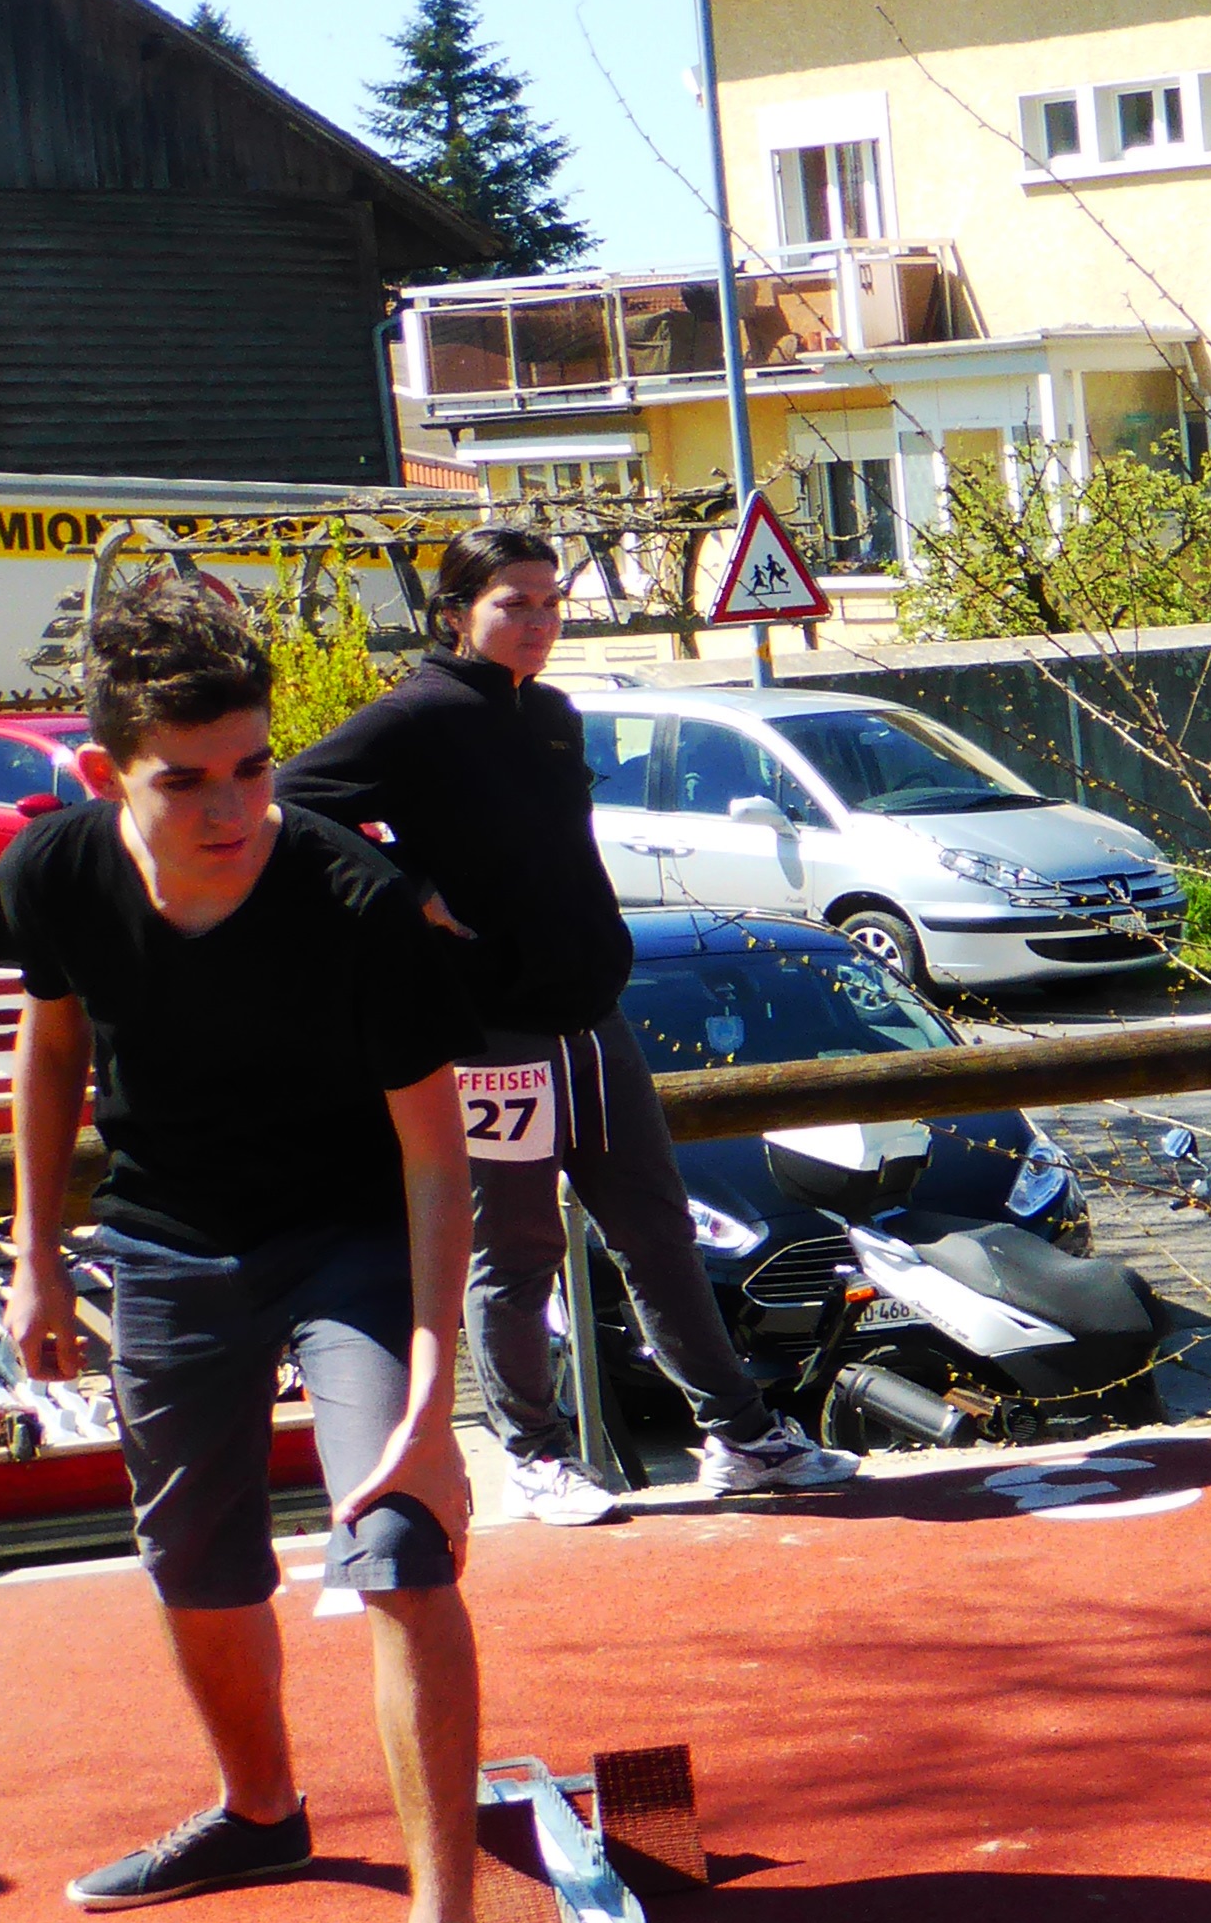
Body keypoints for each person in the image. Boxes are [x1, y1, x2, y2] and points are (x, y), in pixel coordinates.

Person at [5, 577, 530, 1923]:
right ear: (106, 773)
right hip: (167, 1241)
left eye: (253, 768)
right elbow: (53, 1048)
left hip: (353, 1238)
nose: (234, 808)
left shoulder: (355, 901)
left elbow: (436, 1159)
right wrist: (38, 1258)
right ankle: (259, 1812)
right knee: (194, 1560)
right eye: (188, 781)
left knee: (403, 1544)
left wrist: (434, 1401)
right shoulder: (55, 872)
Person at [283, 527, 857, 1522]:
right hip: (493, 1030)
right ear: (456, 612)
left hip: (591, 1018)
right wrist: (406, 885)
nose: (540, 622)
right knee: (514, 1249)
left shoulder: (550, 713)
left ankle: (740, 1437)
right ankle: (535, 1455)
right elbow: (290, 802)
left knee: (658, 1227)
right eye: (515, 603)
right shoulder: (417, 714)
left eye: (552, 603)